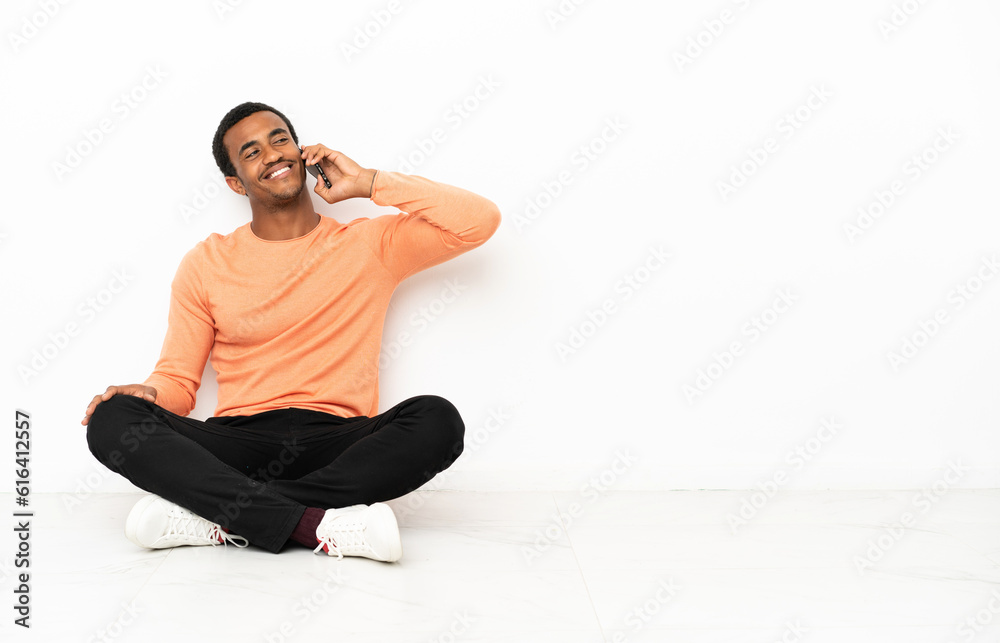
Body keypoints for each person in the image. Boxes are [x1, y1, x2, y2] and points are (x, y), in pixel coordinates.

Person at [81, 101, 501, 562]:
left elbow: (478, 221)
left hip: (339, 443)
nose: (273, 154)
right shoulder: (206, 262)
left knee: (437, 420)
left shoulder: (369, 244)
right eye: (252, 151)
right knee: (112, 419)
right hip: (236, 444)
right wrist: (146, 393)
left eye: (280, 139)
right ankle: (315, 524)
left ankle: (222, 516)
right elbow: (179, 383)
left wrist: (368, 183)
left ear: (302, 153)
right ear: (235, 182)